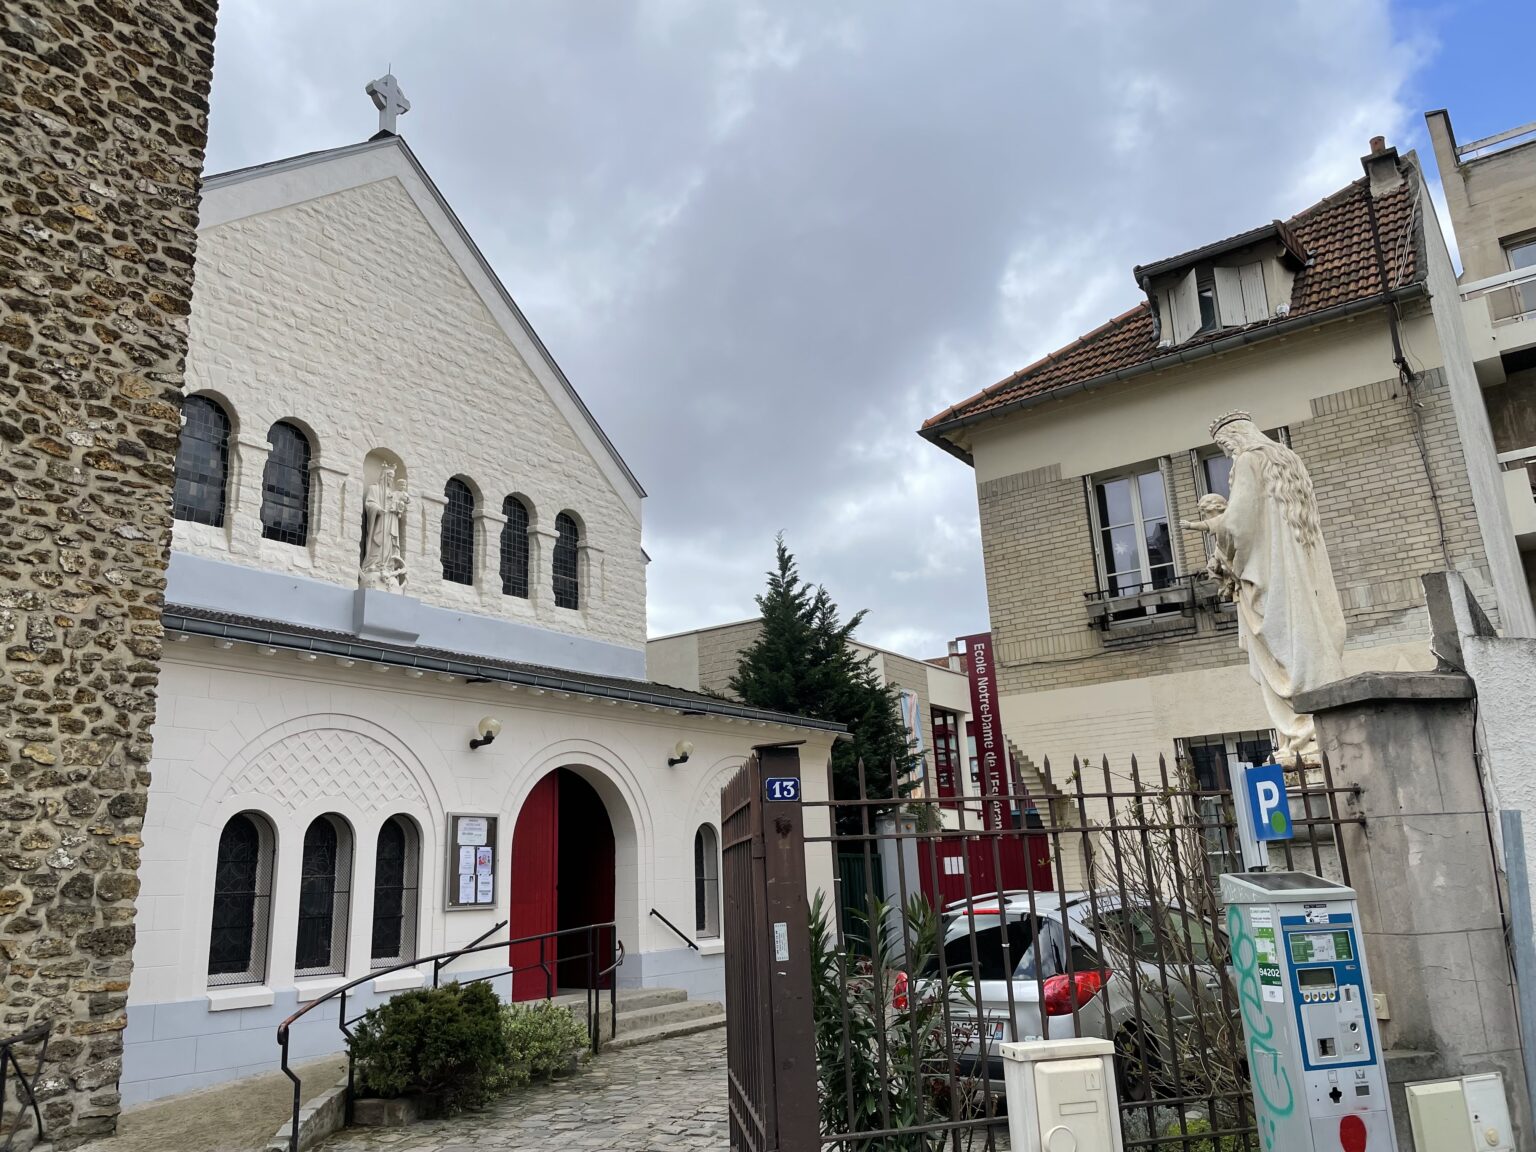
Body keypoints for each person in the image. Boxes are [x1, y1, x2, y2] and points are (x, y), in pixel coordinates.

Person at [1208, 412, 1346, 761]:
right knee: (1306, 640)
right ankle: (1315, 730)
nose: (1227, 453)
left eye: (1225, 446)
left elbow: (1237, 525)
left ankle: (1300, 738)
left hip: (1267, 577)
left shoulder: (1248, 460)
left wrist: (1218, 545)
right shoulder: (1289, 459)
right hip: (1301, 574)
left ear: (1235, 438)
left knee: (1281, 652)